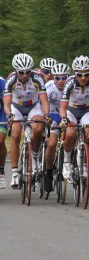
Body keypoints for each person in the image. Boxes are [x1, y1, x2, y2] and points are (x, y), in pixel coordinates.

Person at [3, 53, 50, 188]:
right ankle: (15, 172)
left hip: (33, 106)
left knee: (38, 127)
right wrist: (9, 114)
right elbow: (6, 103)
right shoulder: (11, 79)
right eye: (22, 72)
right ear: (16, 71)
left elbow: (44, 100)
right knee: (16, 134)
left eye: (27, 72)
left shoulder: (38, 78)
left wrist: (46, 114)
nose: (25, 75)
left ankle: (35, 154)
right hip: (16, 107)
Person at [59, 55, 89, 188]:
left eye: (86, 74)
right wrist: (64, 119)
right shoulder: (69, 82)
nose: (83, 78)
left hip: (87, 110)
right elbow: (62, 106)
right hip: (71, 110)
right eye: (80, 75)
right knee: (70, 133)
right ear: (76, 74)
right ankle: (67, 161)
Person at [44, 63, 71, 192]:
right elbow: (44, 106)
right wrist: (48, 118)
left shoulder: (73, 86)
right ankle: (48, 172)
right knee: (51, 143)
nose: (61, 81)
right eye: (57, 78)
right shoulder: (48, 88)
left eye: (64, 77)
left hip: (68, 117)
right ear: (53, 78)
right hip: (54, 117)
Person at [0, 76, 8, 188]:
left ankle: (1, 170)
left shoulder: (2, 82)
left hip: (1, 113)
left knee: (0, 141)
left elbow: (7, 102)